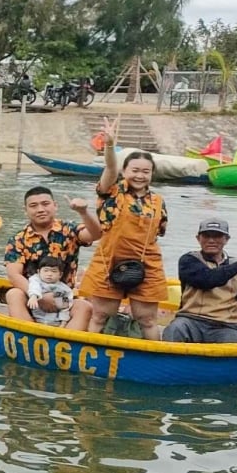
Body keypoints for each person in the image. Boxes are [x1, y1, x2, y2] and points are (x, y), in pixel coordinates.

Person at [78, 128, 168, 339]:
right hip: (108, 259)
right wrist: (109, 145)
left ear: (152, 174)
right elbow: (110, 166)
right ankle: (94, 351)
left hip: (148, 263)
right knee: (100, 315)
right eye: (135, 170)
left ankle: (153, 358)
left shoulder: (158, 201)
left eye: (146, 171)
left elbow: (158, 233)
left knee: (147, 319)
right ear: (125, 171)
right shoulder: (113, 190)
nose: (140, 175)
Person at [3, 186, 102, 330]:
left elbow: (96, 234)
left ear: (55, 206)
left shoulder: (69, 230)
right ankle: (28, 334)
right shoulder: (18, 239)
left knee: (84, 307)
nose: (40, 209)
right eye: (33, 206)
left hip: (62, 297)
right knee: (14, 294)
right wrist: (40, 296)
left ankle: (67, 342)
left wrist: (83, 212)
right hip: (32, 296)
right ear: (26, 210)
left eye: (45, 204)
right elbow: (14, 274)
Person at [161, 219, 237, 344]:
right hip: (190, 321)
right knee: (174, 330)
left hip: (225, 326)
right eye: (206, 236)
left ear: (226, 239)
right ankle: (169, 362)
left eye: (217, 236)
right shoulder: (189, 260)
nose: (211, 240)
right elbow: (208, 280)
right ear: (198, 238)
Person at [25, 256, 76, 327]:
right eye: (46, 270)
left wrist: (63, 322)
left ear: (60, 274)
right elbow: (34, 287)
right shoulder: (36, 280)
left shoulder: (64, 289)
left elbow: (65, 308)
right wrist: (33, 296)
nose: (49, 274)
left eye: (54, 271)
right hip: (36, 318)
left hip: (54, 321)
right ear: (39, 272)